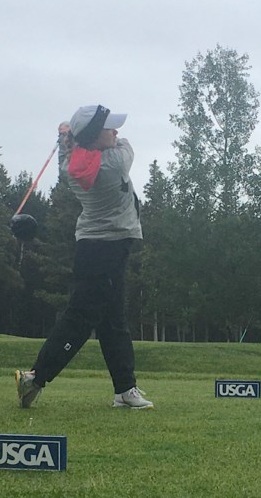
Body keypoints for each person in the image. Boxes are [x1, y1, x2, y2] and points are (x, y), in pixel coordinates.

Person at [15, 104, 153, 410]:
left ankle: (125, 389)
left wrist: (70, 139)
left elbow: (70, 156)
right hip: (107, 248)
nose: (117, 133)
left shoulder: (73, 166)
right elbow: (125, 146)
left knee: (113, 320)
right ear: (94, 136)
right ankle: (35, 377)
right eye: (110, 128)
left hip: (98, 246)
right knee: (80, 318)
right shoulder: (115, 162)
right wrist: (71, 135)